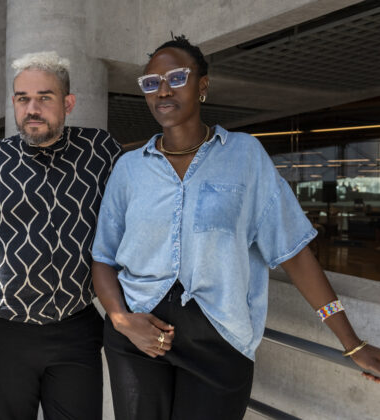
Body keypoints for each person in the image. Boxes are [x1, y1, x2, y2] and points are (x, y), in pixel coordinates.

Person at [91, 35, 380, 420]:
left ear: (203, 86)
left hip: (220, 340)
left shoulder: (244, 155)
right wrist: (121, 319)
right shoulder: (129, 168)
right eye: (151, 83)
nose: (162, 90)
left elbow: (293, 251)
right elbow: (103, 257)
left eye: (176, 78)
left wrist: (351, 343)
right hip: (138, 334)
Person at [0, 51, 122, 420]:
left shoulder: (100, 152)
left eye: (45, 97)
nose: (32, 108)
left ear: (68, 103)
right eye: (22, 98)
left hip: (75, 330)